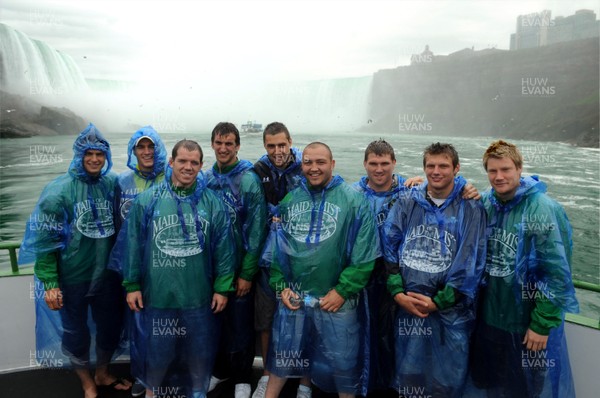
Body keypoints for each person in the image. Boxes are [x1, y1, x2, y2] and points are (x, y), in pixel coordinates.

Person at [109, 139, 236, 397]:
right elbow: (132, 245)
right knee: (157, 353)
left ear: (202, 166)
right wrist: (132, 285)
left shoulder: (213, 203)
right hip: (158, 295)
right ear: (171, 162)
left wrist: (222, 287)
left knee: (198, 354)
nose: (188, 167)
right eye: (182, 161)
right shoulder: (147, 201)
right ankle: (152, 393)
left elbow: (224, 249)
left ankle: (197, 393)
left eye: (194, 162)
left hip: (198, 297)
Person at [19, 123, 131, 398]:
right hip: (71, 278)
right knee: (75, 333)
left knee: (109, 328)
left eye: (100, 154)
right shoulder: (58, 192)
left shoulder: (112, 184)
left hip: (107, 276)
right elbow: (45, 242)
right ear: (79, 155)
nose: (94, 159)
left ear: (107, 157)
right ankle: (87, 383)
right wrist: (50, 283)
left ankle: (102, 373)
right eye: (89, 153)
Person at [264, 142, 379, 398]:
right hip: (294, 299)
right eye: (308, 162)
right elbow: (277, 253)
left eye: (320, 162)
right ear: (301, 164)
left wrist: (342, 291)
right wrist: (281, 287)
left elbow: (364, 258)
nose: (313, 168)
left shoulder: (354, 201)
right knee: (284, 357)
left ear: (333, 164)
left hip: (338, 302)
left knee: (343, 365)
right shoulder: (291, 200)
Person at [469, 140, 579, 397]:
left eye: (506, 169)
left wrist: (541, 324)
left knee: (523, 390)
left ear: (519, 169)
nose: (499, 177)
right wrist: (419, 183)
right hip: (489, 319)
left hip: (525, 324)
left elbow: (557, 274)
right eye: (493, 171)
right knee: (491, 386)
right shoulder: (486, 203)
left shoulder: (543, 209)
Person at [383, 142, 487, 398]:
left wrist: (440, 302)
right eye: (431, 165)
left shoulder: (470, 206)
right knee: (410, 371)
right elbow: (389, 244)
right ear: (424, 168)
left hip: (451, 310)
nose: (436, 171)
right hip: (409, 305)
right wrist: (397, 292)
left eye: (443, 165)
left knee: (447, 377)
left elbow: (470, 261)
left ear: (457, 168)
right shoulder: (408, 200)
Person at [205, 122, 267, 398]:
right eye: (219, 143)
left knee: (240, 323)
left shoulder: (248, 179)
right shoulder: (206, 179)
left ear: (238, 146)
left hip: (240, 266)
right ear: (212, 145)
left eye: (229, 143)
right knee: (216, 321)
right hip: (213, 269)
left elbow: (257, 228)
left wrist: (247, 272)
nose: (223, 148)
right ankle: (220, 370)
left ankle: (243, 377)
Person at [251, 122, 311, 398]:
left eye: (282, 144)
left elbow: (337, 187)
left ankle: (304, 379)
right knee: (266, 317)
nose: (277, 150)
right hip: (266, 258)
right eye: (271, 146)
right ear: (265, 146)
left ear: (290, 142)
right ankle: (266, 372)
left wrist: (409, 181)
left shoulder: (305, 168)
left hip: (300, 256)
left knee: (302, 316)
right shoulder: (257, 171)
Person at [114, 125, 167, 397]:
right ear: (133, 151)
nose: (146, 152)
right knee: (137, 324)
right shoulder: (121, 183)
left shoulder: (170, 178)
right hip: (133, 266)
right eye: (140, 147)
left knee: (167, 323)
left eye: (151, 146)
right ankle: (142, 376)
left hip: (165, 266)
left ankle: (166, 374)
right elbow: (115, 226)